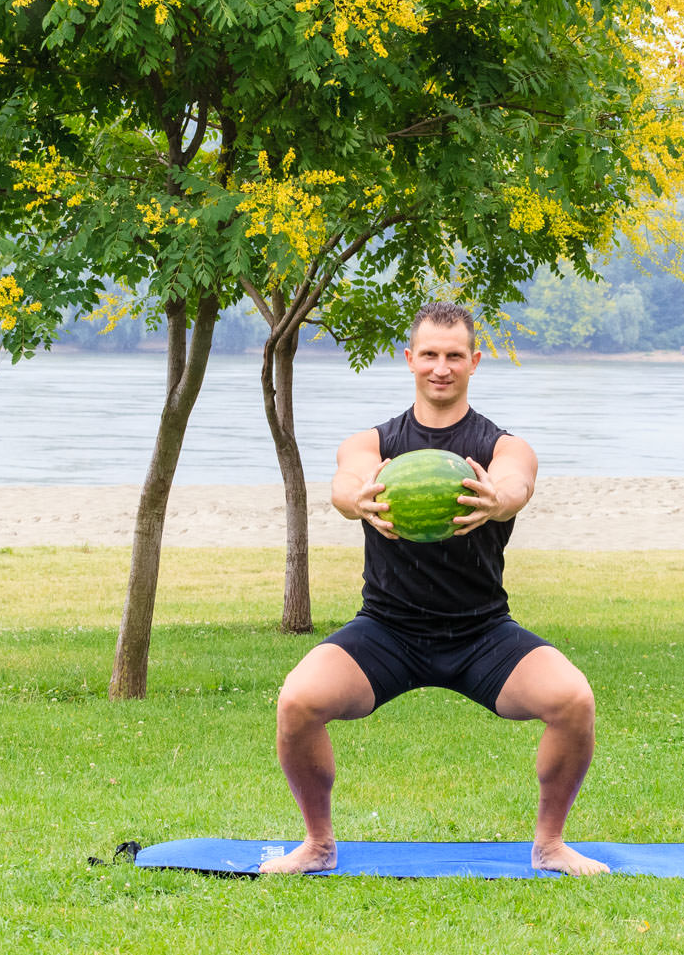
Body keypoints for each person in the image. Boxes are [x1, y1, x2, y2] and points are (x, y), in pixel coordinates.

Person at [260, 301, 608, 876]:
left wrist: (499, 499)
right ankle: (318, 844)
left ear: (474, 361)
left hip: (481, 632)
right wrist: (356, 499)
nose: (440, 367)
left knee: (573, 701)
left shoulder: (502, 447)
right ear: (409, 359)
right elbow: (346, 482)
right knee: (298, 702)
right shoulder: (374, 442)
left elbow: (516, 482)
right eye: (429, 355)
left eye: (453, 356)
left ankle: (550, 845)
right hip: (388, 630)